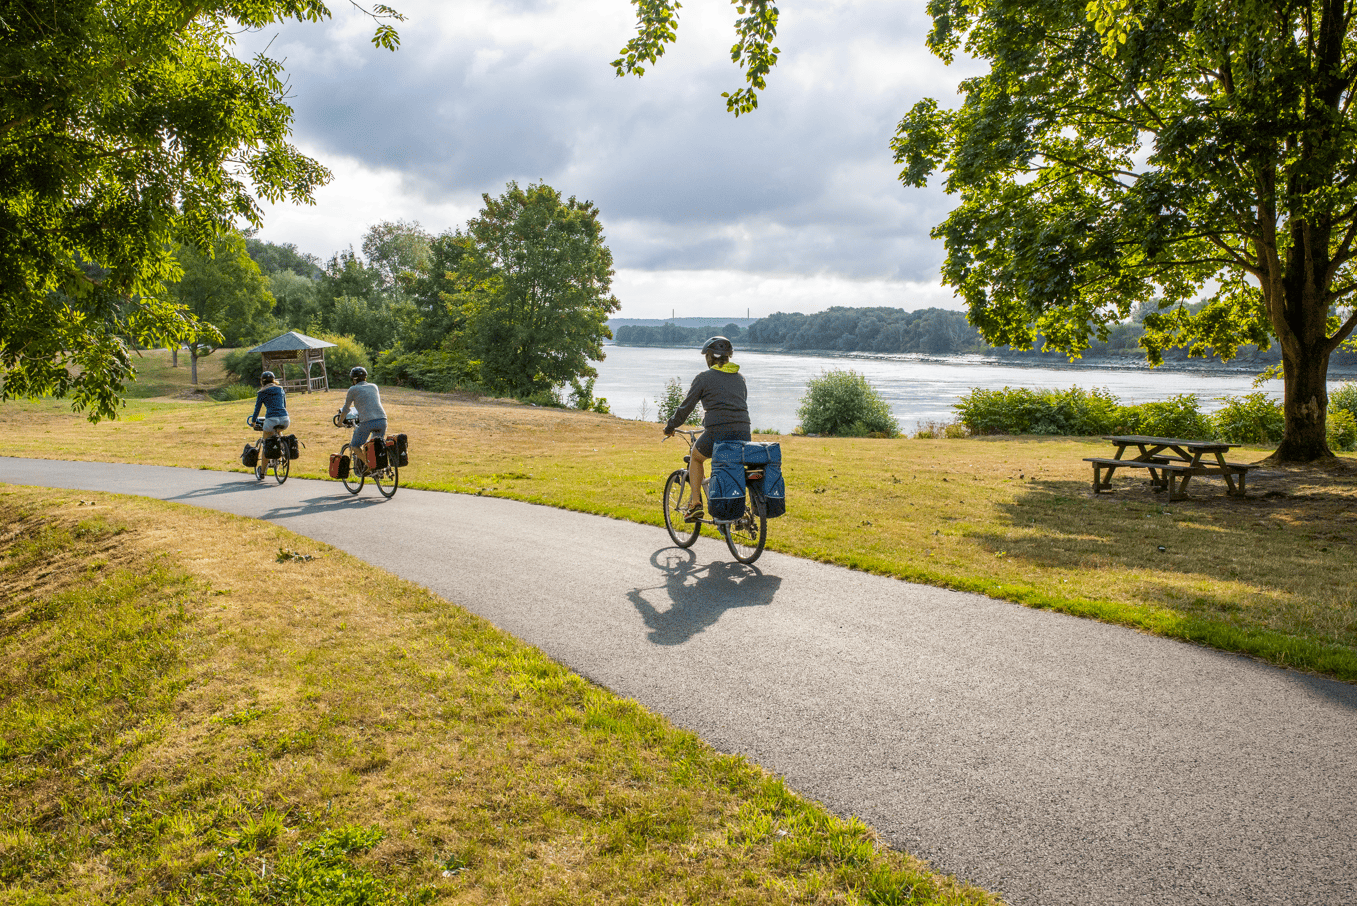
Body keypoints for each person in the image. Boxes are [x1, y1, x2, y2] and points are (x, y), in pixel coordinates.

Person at [663, 336, 751, 521]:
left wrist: (670, 426)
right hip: (744, 432)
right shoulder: (740, 378)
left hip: (718, 432)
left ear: (709, 357)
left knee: (696, 457)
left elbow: (685, 408)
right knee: (729, 464)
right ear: (728, 357)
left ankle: (695, 504)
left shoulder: (703, 378)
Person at [338, 366, 387, 472]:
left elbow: (346, 409)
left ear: (354, 379)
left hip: (367, 422)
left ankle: (369, 466)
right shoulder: (374, 386)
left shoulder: (353, 389)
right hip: (382, 420)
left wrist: (339, 422)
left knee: (355, 445)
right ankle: (380, 469)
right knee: (375, 446)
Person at [249, 371, 290, 439]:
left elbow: (257, 408)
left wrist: (253, 421)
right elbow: (284, 405)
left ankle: (266, 448)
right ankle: (284, 446)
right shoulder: (280, 389)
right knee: (278, 431)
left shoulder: (262, 392)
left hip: (271, 419)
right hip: (285, 419)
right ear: (274, 380)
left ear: (262, 382)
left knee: (266, 438)